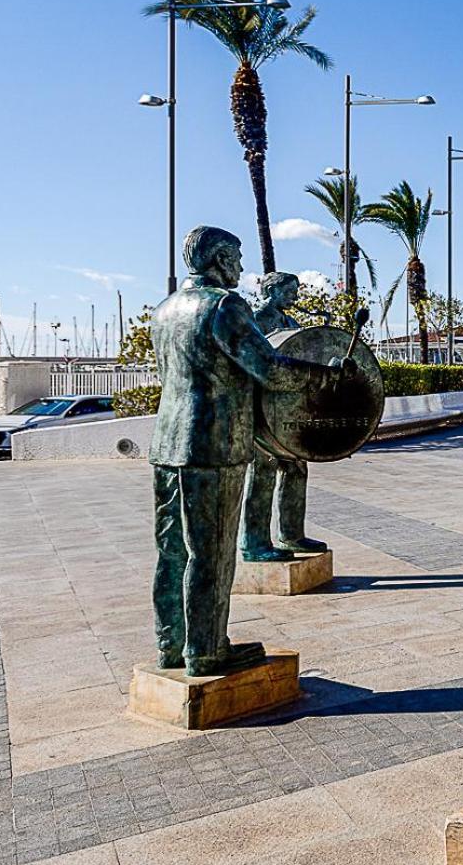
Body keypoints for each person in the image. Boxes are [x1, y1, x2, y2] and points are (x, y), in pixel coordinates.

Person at [149, 227, 348, 676]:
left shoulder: (164, 310)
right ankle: (207, 651)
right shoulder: (224, 305)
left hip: (166, 444)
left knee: (172, 550)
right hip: (214, 444)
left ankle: (172, 645)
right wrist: (321, 375)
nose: (241, 268)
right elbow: (270, 370)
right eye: (235, 258)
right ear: (219, 259)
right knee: (212, 552)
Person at [237, 272, 328, 563]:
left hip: (287, 411)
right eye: (290, 291)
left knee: (296, 469)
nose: (295, 297)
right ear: (272, 290)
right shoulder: (256, 320)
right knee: (261, 474)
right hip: (262, 412)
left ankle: (291, 534)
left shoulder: (292, 323)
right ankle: (254, 542)